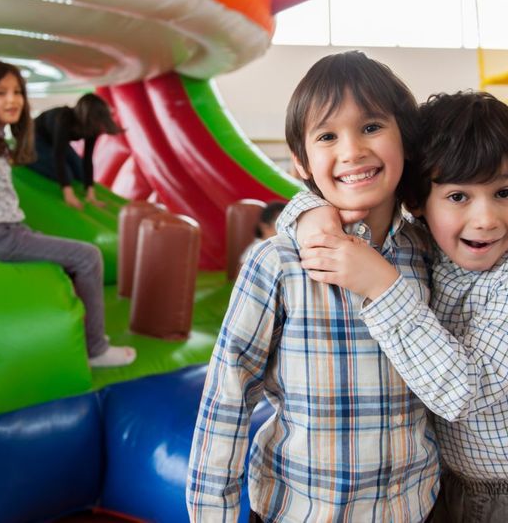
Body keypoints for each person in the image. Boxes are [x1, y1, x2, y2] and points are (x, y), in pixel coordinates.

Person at [283, 91, 508, 523]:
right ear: (416, 203)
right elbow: (356, 197)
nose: (486, 219)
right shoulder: (423, 239)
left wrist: (381, 283)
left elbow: (462, 392)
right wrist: (311, 212)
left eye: (505, 192)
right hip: (446, 479)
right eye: (458, 197)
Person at [186, 51, 439, 522]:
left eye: (371, 127)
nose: (352, 151)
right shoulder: (279, 263)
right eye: (328, 135)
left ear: (405, 138)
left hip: (411, 508)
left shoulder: (428, 255)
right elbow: (226, 398)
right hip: (298, 511)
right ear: (302, 161)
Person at [0, 60, 136, 369]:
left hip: (8, 230)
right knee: (89, 256)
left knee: (73, 257)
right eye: (0, 93)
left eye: (17, 92)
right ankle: (96, 349)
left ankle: (76, 338)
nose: (12, 100)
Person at [28, 93, 122, 210]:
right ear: (88, 117)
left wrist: (90, 193)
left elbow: (87, 158)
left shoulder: (93, 127)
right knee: (67, 175)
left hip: (55, 140)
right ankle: (25, 158)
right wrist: (68, 192)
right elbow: (59, 156)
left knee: (81, 174)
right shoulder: (64, 119)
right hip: (35, 137)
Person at [238, 201, 286, 265]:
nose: (286, 228)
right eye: (280, 223)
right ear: (264, 227)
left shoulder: (282, 247)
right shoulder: (255, 250)